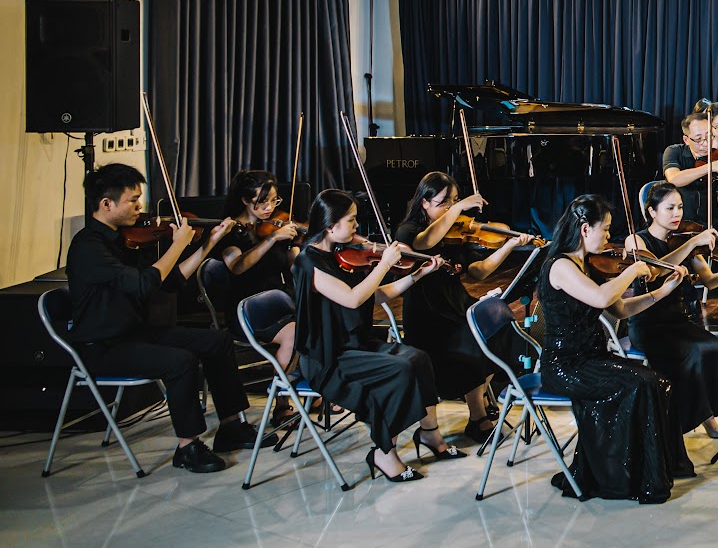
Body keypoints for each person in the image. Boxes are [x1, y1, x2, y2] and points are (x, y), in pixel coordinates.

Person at [65, 163, 270, 472]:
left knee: (217, 340)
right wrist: (177, 245)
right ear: (107, 204)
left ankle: (231, 426)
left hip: (134, 333)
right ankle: (187, 447)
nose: (139, 207)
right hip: (102, 345)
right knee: (180, 361)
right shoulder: (87, 248)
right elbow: (143, 284)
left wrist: (210, 242)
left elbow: (169, 281)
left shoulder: (124, 239)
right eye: (133, 200)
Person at [293, 189, 465, 483]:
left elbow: (377, 295)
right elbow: (352, 299)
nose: (358, 227)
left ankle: (429, 434)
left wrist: (417, 275)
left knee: (419, 358)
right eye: (352, 221)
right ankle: (384, 452)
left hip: (357, 344)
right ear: (330, 226)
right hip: (330, 356)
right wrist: (385, 263)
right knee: (399, 368)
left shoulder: (344, 254)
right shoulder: (308, 261)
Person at [538, 194, 695, 502]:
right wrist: (630, 272)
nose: (610, 237)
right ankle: (624, 477)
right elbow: (600, 299)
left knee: (658, 380)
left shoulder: (586, 265)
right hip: (566, 366)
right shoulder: (560, 266)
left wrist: (663, 291)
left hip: (592, 358)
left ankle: (649, 470)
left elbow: (619, 309)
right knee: (642, 383)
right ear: (585, 230)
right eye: (606, 229)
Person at [395, 172, 535, 442]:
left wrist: (509, 246)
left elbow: (479, 272)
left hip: (456, 304)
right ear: (424, 202)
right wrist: (457, 208)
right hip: (428, 314)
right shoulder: (408, 231)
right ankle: (478, 416)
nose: (451, 208)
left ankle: (479, 406)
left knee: (500, 334)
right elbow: (425, 243)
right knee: (473, 345)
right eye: (444, 202)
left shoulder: (456, 232)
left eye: (455, 201)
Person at [629, 181, 718, 438]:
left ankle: (705, 414)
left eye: (680, 207)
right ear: (652, 212)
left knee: (716, 349)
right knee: (690, 355)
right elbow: (656, 269)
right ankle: (691, 423)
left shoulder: (685, 239)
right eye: (670, 208)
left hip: (679, 321)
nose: (677, 214)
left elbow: (711, 280)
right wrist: (692, 244)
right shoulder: (636, 240)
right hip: (649, 323)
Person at [212, 169, 300, 370]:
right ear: (245, 200)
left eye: (274, 200)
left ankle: (311, 390)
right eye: (262, 201)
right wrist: (272, 239)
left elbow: (290, 265)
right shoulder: (230, 231)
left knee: (321, 323)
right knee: (296, 334)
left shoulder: (272, 226)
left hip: (280, 306)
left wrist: (295, 252)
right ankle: (283, 395)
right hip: (248, 312)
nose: (269, 207)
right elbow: (237, 267)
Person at [663, 109, 718, 300]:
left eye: (709, 136)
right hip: (681, 226)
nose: (705, 143)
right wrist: (710, 168)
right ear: (686, 139)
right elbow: (674, 179)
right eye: (699, 139)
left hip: (711, 223)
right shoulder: (674, 152)